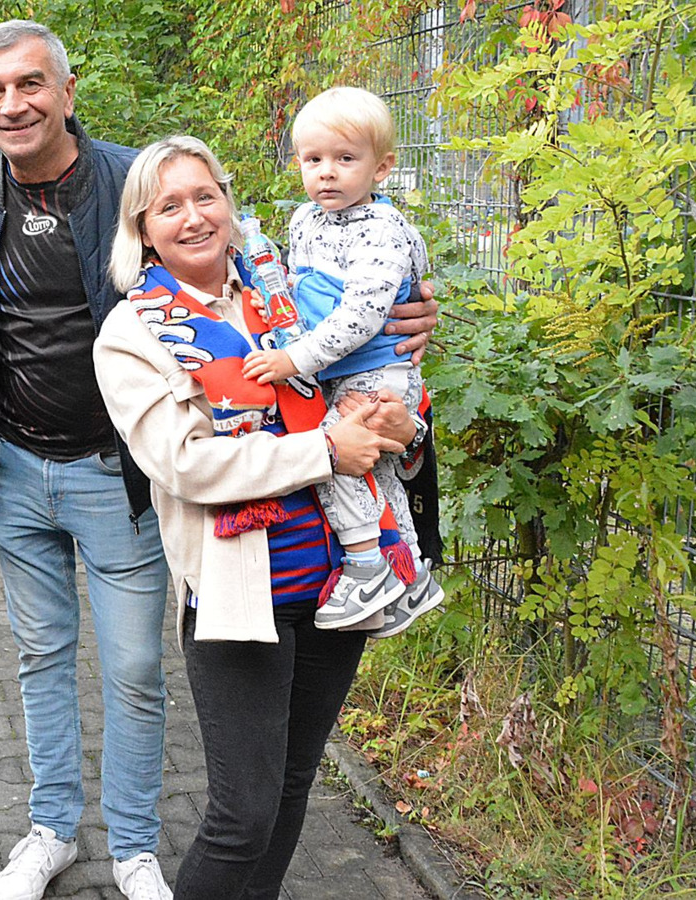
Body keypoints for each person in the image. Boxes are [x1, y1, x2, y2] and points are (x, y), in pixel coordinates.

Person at [0, 20, 439, 900]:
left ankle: (133, 848)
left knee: (155, 687)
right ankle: (52, 829)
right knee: (51, 666)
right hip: (35, 474)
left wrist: (410, 335)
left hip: (149, 489)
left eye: (30, 83)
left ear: (68, 90)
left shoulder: (272, 286)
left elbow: (362, 334)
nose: (12, 104)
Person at [94, 135, 429, 900]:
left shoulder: (295, 291)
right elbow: (186, 464)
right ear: (143, 229)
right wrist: (324, 451)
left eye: (204, 195)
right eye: (168, 206)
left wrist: (404, 423)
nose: (192, 217)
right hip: (244, 597)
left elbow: (372, 369)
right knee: (241, 816)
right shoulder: (131, 334)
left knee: (291, 787)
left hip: (342, 584)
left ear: (228, 200)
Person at [241, 87, 443, 638]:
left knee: (336, 457)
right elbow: (299, 289)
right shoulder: (306, 219)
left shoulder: (381, 231)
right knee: (379, 473)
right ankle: (412, 574)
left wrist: (294, 358)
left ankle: (365, 565)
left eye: (345, 158)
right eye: (313, 159)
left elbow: (362, 316)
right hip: (340, 371)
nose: (326, 172)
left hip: (378, 371)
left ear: (382, 168)